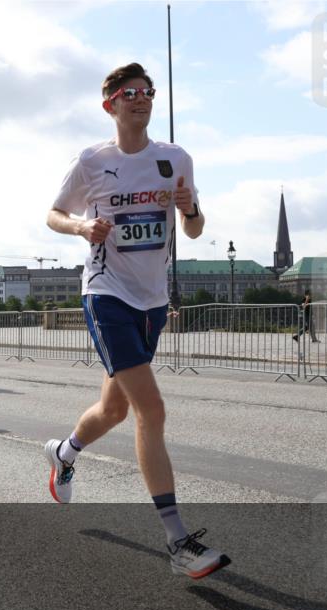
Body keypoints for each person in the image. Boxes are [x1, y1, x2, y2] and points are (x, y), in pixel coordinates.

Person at [44, 62, 229, 579]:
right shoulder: (92, 161)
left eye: (147, 92)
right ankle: (178, 541)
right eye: (130, 93)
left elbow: (192, 232)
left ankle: (64, 452)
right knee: (152, 409)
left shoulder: (174, 158)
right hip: (106, 294)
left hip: (151, 301)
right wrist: (83, 226)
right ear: (111, 104)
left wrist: (191, 211)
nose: (141, 99)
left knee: (115, 409)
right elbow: (53, 214)